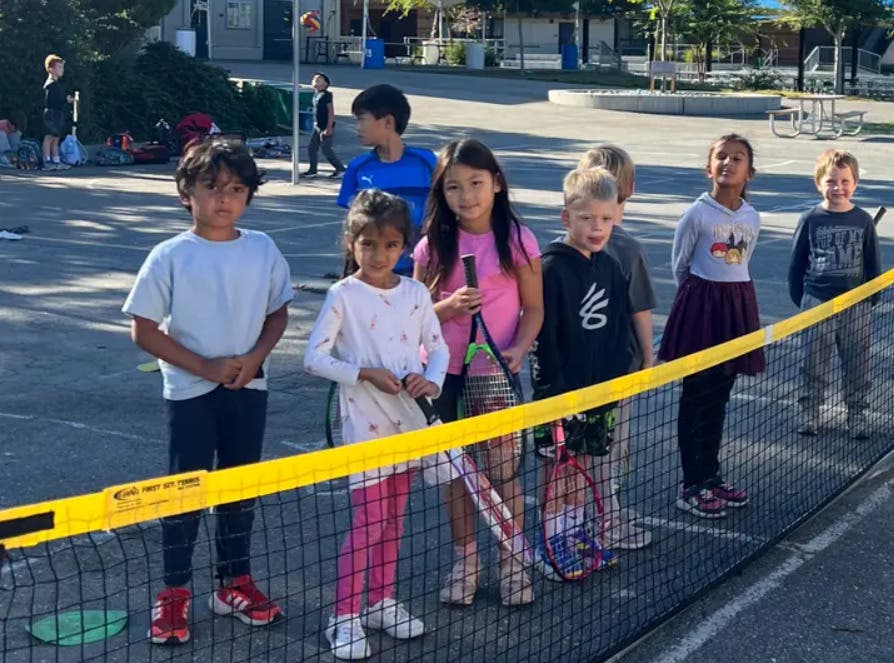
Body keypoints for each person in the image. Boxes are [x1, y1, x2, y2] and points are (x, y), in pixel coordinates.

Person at [122, 142, 292, 645]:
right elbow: (144, 329)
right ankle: (174, 592)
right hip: (191, 395)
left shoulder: (262, 248)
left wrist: (255, 358)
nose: (224, 200)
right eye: (212, 188)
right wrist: (205, 367)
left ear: (248, 197)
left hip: (248, 390)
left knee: (239, 491)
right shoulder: (169, 256)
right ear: (185, 193)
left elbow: (278, 311)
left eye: (236, 190)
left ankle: (233, 583)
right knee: (186, 494)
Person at [304, 189, 449, 660]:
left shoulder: (415, 293)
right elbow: (314, 358)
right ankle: (343, 617)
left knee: (394, 519)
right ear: (351, 243)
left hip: (408, 423)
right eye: (368, 244)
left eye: (389, 245)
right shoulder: (342, 295)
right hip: (364, 425)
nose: (379, 254)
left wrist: (431, 380)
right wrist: (363, 373)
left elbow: (438, 346)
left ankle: (381, 601)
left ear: (405, 245)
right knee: (368, 520)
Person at [413, 138, 543, 606]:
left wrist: (519, 348)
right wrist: (446, 307)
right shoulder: (431, 246)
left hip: (496, 376)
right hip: (443, 378)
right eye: (453, 187)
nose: (466, 196)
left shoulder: (518, 240)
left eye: (475, 184)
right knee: (457, 476)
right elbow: (414, 312)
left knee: (503, 474)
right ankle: (466, 561)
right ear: (441, 192)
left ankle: (513, 563)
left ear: (497, 184)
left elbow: (534, 309)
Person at [530, 167, 630, 579]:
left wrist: (617, 378)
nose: (597, 227)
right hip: (559, 397)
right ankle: (549, 545)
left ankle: (574, 537)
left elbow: (618, 326)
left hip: (598, 394)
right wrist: (553, 392)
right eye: (587, 217)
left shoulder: (610, 266)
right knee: (556, 471)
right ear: (566, 217)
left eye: (606, 219)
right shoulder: (550, 268)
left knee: (584, 466)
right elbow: (543, 335)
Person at [658, 134, 765, 519]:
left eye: (737, 158)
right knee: (696, 397)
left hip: (736, 310)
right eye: (721, 157)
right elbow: (680, 264)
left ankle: (712, 476)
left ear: (749, 172)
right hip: (702, 309)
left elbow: (742, 261)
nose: (728, 163)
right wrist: (699, 301)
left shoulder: (751, 217)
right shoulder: (697, 214)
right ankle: (692, 484)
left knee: (719, 396)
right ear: (709, 167)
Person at [577, 144, 656, 550]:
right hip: (611, 368)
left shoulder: (566, 242)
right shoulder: (627, 248)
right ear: (629, 188)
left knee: (590, 445)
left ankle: (600, 511)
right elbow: (640, 310)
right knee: (610, 444)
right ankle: (604, 520)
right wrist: (648, 356)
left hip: (583, 369)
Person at [788, 149, 881, 439]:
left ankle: (857, 414)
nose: (837, 188)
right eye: (830, 181)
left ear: (854, 184)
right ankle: (811, 411)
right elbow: (797, 263)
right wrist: (803, 300)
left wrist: (870, 300)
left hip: (856, 305)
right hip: (817, 302)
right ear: (819, 183)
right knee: (813, 363)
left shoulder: (863, 220)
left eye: (844, 181)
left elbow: (872, 263)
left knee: (857, 363)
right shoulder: (810, 218)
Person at [337, 84, 436, 276]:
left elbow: (444, 205)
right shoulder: (358, 168)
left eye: (362, 119)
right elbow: (353, 224)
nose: (357, 128)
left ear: (388, 122)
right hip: (373, 272)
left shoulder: (427, 163)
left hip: (421, 270)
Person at [303, 72, 346, 179]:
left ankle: (341, 169)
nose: (316, 81)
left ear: (326, 84)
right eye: (314, 79)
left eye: (319, 79)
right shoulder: (316, 94)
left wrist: (329, 127)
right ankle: (312, 170)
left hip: (326, 126)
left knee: (326, 149)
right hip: (317, 126)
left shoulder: (326, 95)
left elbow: (330, 112)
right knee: (312, 148)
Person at [41, 54, 73, 171]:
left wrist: (66, 100)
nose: (61, 70)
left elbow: (59, 100)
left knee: (56, 138)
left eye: (62, 67)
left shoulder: (57, 84)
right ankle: (47, 161)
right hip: (51, 114)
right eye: (59, 67)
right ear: (51, 69)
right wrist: (66, 100)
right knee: (49, 137)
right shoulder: (50, 84)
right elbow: (52, 101)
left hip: (58, 114)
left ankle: (56, 161)